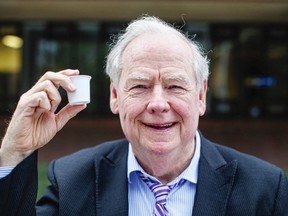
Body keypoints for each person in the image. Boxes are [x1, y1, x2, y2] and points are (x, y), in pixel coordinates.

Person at [0, 15, 287, 216]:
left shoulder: (264, 190)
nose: (158, 104)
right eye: (140, 86)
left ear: (201, 96)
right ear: (115, 96)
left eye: (175, 85)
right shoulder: (72, 180)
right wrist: (15, 151)